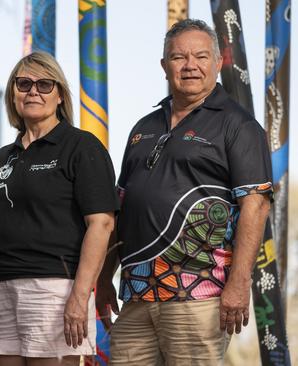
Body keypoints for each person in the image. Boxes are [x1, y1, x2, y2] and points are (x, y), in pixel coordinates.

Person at [96, 19, 272, 365]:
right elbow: (121, 208)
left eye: (200, 56)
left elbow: (256, 206)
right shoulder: (142, 128)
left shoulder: (238, 125)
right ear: (164, 66)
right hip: (135, 295)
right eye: (179, 57)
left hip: (199, 295)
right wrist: (103, 278)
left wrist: (238, 285)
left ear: (217, 62)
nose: (190, 65)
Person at [0, 51, 119, 366]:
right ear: (13, 93)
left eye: (44, 84)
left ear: (60, 95)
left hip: (54, 289)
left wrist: (80, 297)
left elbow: (102, 225)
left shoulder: (82, 147)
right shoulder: (3, 157)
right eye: (24, 83)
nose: (33, 92)